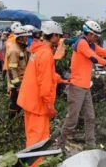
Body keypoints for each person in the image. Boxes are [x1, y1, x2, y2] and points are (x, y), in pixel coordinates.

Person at [55, 20, 106, 149]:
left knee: (90, 117)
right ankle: (59, 144)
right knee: (72, 120)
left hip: (85, 87)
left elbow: (105, 52)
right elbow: (93, 57)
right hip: (77, 87)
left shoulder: (91, 44)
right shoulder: (81, 43)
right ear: (89, 34)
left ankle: (90, 144)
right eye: (95, 35)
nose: (96, 38)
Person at [17, 21, 67, 166]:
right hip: (37, 103)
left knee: (32, 135)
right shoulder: (45, 53)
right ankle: (34, 164)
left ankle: (30, 162)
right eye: (59, 36)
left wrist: (60, 79)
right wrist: (49, 104)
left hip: (29, 100)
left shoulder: (38, 50)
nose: (59, 40)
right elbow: (44, 82)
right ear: (54, 36)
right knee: (38, 139)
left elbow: (45, 73)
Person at [7, 26, 31, 118]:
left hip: (24, 81)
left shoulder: (24, 48)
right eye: (25, 37)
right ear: (19, 38)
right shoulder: (14, 50)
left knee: (22, 103)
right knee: (15, 104)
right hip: (16, 84)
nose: (27, 39)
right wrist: (17, 86)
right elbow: (12, 69)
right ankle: (10, 123)